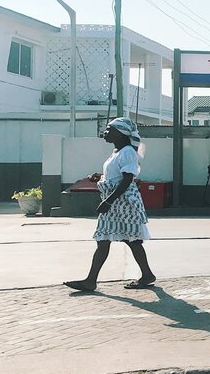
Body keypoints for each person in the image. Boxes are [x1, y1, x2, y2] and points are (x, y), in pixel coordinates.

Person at [63, 117, 156, 292]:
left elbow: (127, 179)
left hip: (123, 203)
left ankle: (144, 275)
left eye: (109, 129)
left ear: (120, 133)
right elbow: (118, 175)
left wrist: (108, 201)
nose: (105, 132)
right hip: (115, 202)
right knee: (107, 239)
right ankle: (92, 280)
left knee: (131, 240)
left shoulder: (127, 151)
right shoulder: (117, 151)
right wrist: (100, 176)